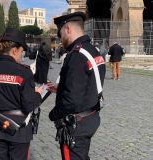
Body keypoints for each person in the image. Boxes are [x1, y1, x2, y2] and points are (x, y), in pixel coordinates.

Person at [48, 12, 106, 160]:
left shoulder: (76, 56)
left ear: (67, 29)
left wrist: (54, 114)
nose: (60, 40)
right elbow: (88, 84)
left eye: (60, 35)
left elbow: (71, 101)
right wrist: (60, 88)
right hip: (90, 117)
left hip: (76, 124)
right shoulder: (92, 50)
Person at [0, 28, 43, 160]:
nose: (21, 56)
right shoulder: (24, 72)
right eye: (21, 52)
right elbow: (28, 105)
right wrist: (37, 94)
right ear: (14, 50)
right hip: (20, 129)